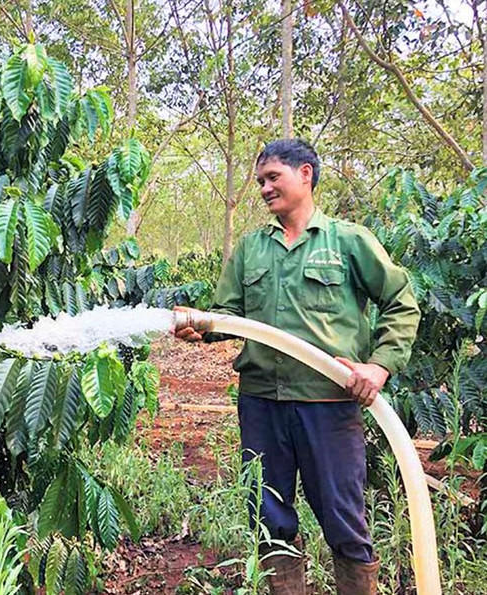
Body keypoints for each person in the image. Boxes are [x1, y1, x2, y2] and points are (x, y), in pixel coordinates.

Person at [174, 139, 420, 595]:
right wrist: (201, 326)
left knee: (343, 519)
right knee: (270, 518)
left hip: (328, 404)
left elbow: (401, 303)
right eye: (260, 182)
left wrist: (379, 366)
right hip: (262, 403)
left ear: (305, 174)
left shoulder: (348, 241)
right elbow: (228, 316)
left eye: (273, 177)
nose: (264, 189)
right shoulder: (251, 248)